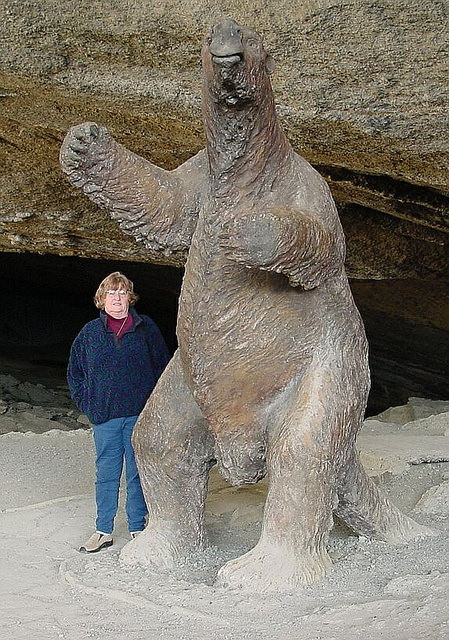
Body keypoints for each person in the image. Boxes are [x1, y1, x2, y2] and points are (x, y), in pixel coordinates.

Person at [67, 271, 170, 553]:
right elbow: (75, 372)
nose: (116, 298)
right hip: (105, 417)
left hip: (139, 416)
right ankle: (103, 530)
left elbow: (163, 368)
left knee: (137, 473)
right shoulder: (90, 333)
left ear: (130, 298)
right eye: (111, 293)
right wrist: (88, 404)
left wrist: (154, 407)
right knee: (107, 474)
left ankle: (137, 527)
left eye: (122, 292)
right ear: (101, 299)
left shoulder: (145, 328)